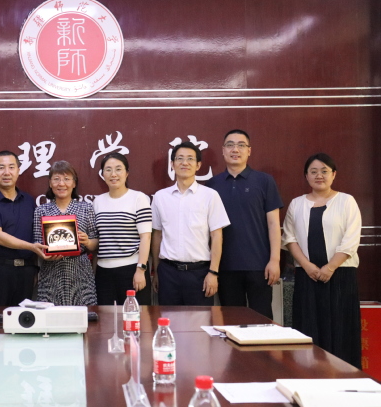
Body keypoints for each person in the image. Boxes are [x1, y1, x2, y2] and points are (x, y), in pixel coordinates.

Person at [282, 153, 362, 368]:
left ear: (333, 174)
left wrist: (330, 267)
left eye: (324, 171)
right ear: (306, 176)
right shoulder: (297, 204)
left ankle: (344, 377)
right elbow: (289, 238)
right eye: (314, 171)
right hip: (308, 276)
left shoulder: (346, 201)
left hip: (340, 275)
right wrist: (307, 266)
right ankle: (308, 374)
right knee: (308, 329)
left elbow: (351, 239)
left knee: (341, 329)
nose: (319, 176)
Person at [206, 130, 283, 319]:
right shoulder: (212, 185)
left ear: (249, 151)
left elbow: (274, 224)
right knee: (231, 321)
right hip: (225, 267)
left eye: (241, 145)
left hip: (259, 266)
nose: (235, 149)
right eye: (230, 145)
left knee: (262, 321)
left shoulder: (264, 181)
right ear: (223, 150)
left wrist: (274, 260)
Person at [151, 142, 230, 305]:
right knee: (168, 319)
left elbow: (217, 236)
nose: (184, 163)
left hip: (199, 274)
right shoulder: (160, 197)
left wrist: (213, 272)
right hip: (168, 273)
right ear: (172, 164)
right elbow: (157, 235)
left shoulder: (210, 195)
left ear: (198, 165)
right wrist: (157, 272)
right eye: (179, 158)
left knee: (200, 320)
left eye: (190, 159)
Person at [0, 151, 48, 306]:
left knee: (22, 318)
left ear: (18, 170)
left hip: (26, 272)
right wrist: (31, 247)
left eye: (11, 167)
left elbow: (36, 233)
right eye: (1, 167)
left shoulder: (28, 200)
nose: (7, 172)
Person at [85, 153, 152, 305]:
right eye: (108, 170)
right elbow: (99, 240)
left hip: (131, 270)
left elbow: (146, 237)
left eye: (118, 169)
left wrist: (140, 270)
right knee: (106, 317)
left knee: (135, 316)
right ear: (102, 174)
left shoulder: (138, 198)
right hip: (103, 272)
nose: (113, 174)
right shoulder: (98, 201)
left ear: (127, 173)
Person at [32, 161, 97, 306]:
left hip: (80, 273)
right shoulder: (41, 211)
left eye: (67, 179)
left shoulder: (86, 208)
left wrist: (87, 241)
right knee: (50, 316)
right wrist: (44, 253)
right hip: (51, 273)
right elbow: (37, 243)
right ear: (50, 183)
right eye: (56, 179)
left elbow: (95, 243)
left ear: (74, 183)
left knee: (83, 315)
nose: (61, 184)